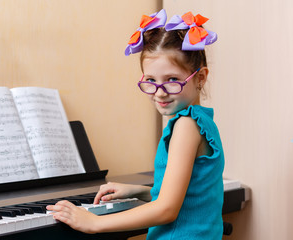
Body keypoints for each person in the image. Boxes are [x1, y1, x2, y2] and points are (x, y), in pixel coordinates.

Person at [47, 9, 224, 239]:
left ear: (200, 77)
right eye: (150, 80)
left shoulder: (186, 126)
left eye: (172, 80)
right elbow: (191, 196)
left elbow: (167, 210)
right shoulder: (202, 121)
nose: (159, 93)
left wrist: (93, 223)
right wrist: (141, 192)